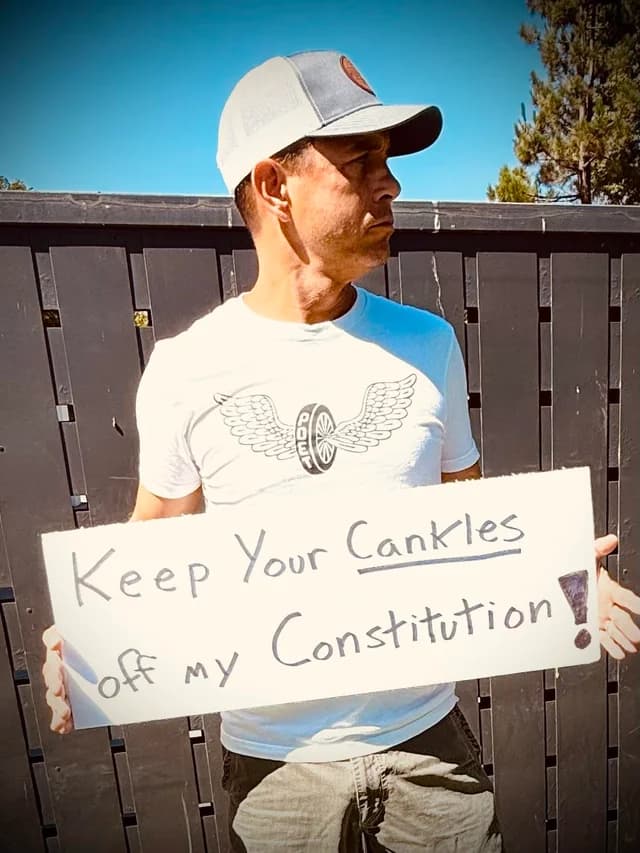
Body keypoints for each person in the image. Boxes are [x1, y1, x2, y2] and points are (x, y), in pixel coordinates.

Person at [42, 50, 640, 852]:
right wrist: (97, 634)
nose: (390, 185)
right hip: (275, 769)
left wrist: (559, 575)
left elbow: (468, 511)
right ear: (274, 184)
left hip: (430, 748)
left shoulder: (427, 344)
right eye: (360, 163)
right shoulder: (187, 367)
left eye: (386, 163)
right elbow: (157, 537)